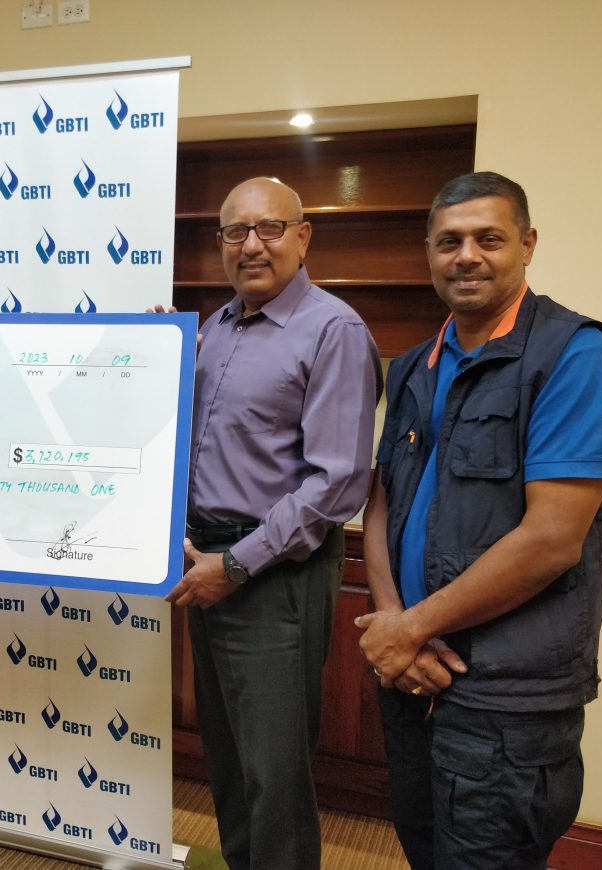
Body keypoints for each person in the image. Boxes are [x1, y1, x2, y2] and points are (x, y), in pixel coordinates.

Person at [356, 171, 602, 870]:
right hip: (412, 678)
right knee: (424, 849)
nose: (467, 256)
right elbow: (382, 501)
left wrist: (409, 629)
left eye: (489, 238)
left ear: (527, 244)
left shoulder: (577, 356)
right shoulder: (416, 366)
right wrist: (395, 627)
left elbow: (552, 540)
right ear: (428, 251)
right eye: (449, 241)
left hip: (504, 701)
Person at [163, 177, 381, 869]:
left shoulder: (333, 329)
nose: (251, 245)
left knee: (275, 777)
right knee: (225, 762)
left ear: (303, 236)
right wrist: (152, 356)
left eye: (270, 228)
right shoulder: (215, 328)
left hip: (270, 574)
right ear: (220, 242)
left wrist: (236, 565)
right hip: (208, 567)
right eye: (235, 232)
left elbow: (338, 481)